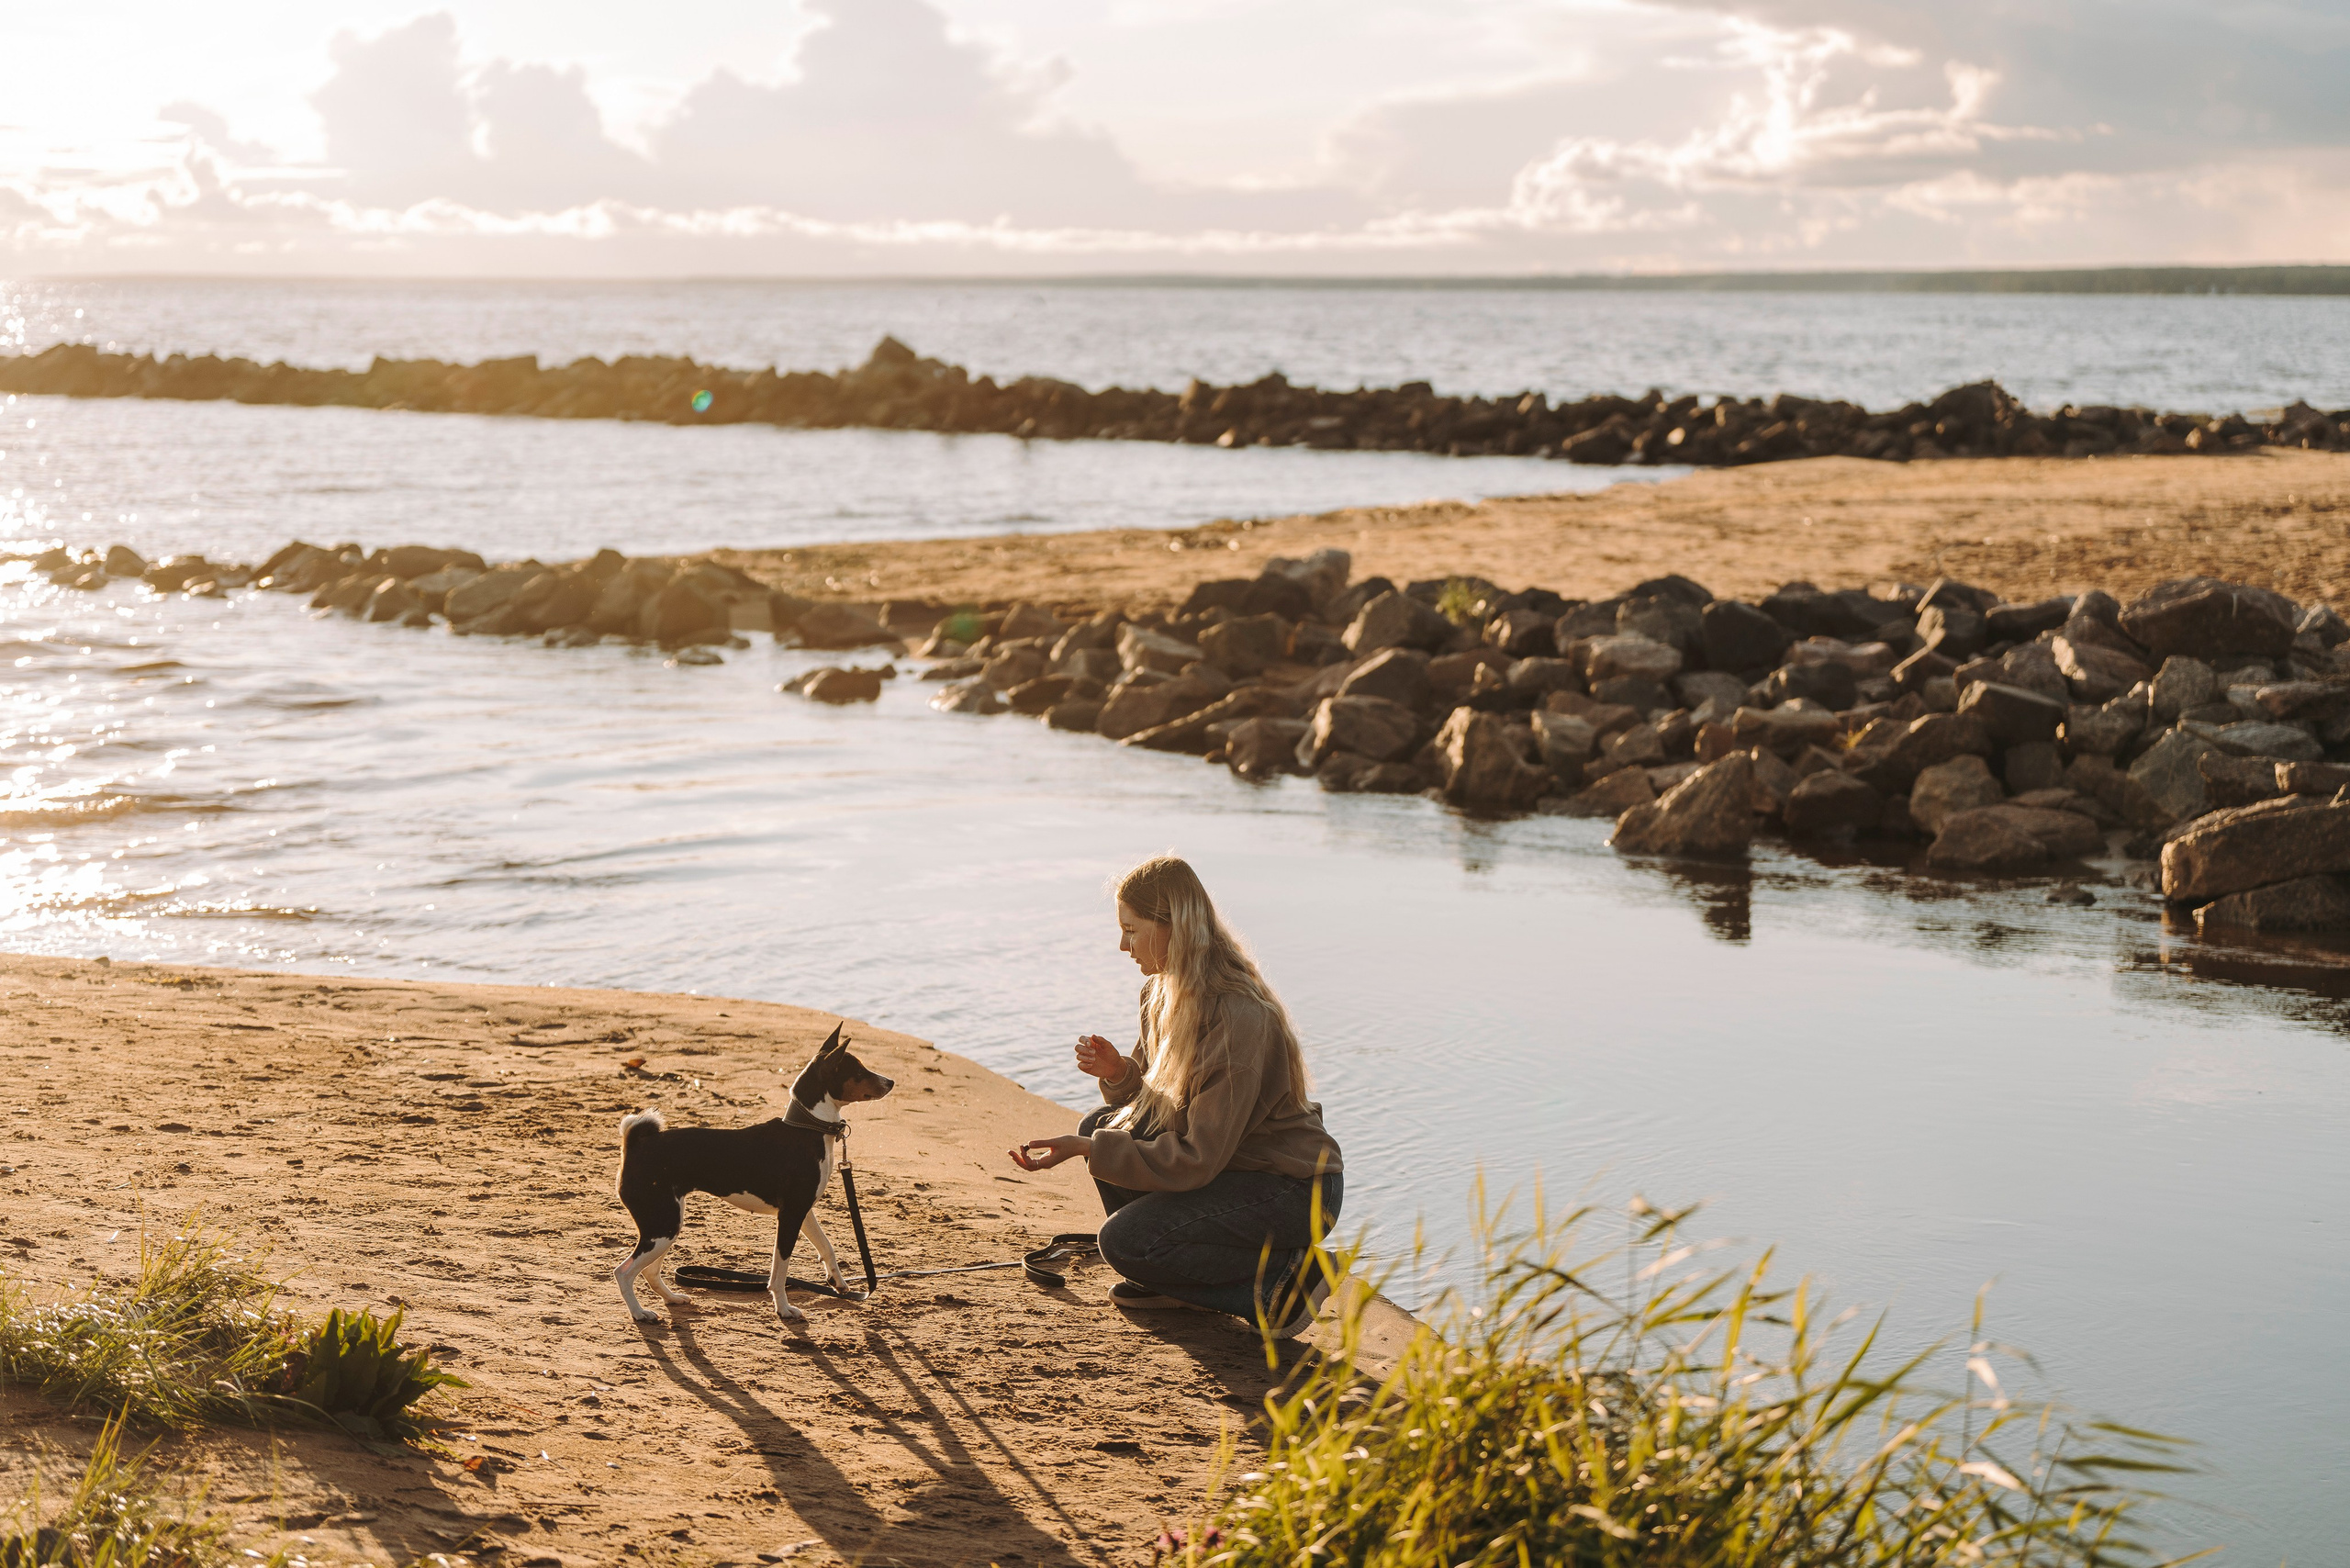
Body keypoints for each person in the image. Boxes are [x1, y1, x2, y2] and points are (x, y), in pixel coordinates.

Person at [1010, 854, 1342, 1335]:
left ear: (1173, 928)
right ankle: (1166, 1277)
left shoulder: (1238, 1019)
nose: (1122, 945)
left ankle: (1282, 1283)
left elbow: (1196, 1156)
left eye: (1132, 929)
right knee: (1100, 1126)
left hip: (1294, 1189)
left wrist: (1088, 1151)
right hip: (1236, 1169)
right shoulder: (1160, 992)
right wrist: (1121, 1073)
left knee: (1122, 1242)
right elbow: (1154, 1104)